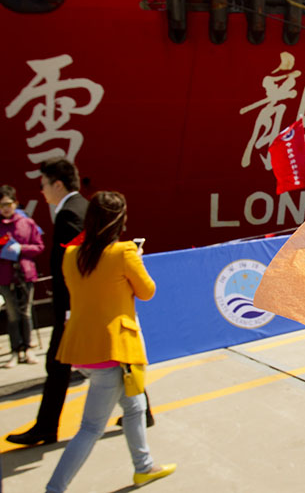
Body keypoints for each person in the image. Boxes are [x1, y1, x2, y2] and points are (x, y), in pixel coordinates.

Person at [44, 191, 175, 492]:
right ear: (120, 220)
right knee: (91, 427)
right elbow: (147, 291)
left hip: (80, 347)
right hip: (114, 350)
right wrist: (136, 260)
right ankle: (54, 489)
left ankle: (143, 467)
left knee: (135, 406)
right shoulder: (124, 253)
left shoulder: (70, 255)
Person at [6, 159, 87, 446]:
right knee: (113, 363)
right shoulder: (83, 207)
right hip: (84, 304)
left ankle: (45, 428)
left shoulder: (68, 214)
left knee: (57, 365)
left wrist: (67, 310)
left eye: (42, 185)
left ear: (57, 184)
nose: (41, 192)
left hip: (74, 307)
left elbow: (74, 265)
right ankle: (141, 412)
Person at [0, 185, 44, 368]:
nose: (5, 208)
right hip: (4, 275)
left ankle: (28, 348)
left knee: (26, 312)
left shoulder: (27, 222)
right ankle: (15, 350)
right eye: (1, 205)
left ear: (15, 203)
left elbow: (39, 246)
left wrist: (21, 249)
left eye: (8, 204)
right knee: (12, 314)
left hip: (25, 273)